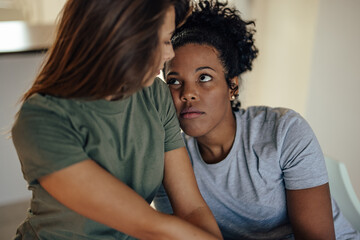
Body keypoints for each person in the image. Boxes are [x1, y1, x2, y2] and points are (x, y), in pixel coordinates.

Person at [11, 0, 224, 239]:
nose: (170, 53)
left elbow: (192, 209)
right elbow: (149, 225)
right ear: (121, 38)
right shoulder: (43, 118)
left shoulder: (155, 96)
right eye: (164, 41)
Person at [153, 0, 360, 239]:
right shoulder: (169, 161)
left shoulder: (283, 132)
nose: (187, 93)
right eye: (174, 81)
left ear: (232, 86)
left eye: (205, 77)